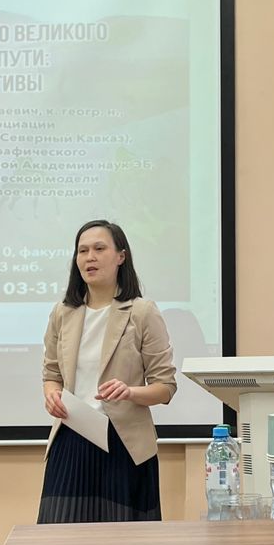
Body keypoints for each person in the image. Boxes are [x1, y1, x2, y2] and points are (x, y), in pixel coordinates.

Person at [39, 219, 176, 523]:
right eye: (83, 251)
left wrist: (130, 392)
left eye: (99, 249)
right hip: (71, 437)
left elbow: (165, 387)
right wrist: (52, 395)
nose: (90, 257)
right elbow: (51, 374)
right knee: (60, 538)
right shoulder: (63, 313)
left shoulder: (142, 312)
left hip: (124, 445)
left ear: (120, 256)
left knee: (124, 544)